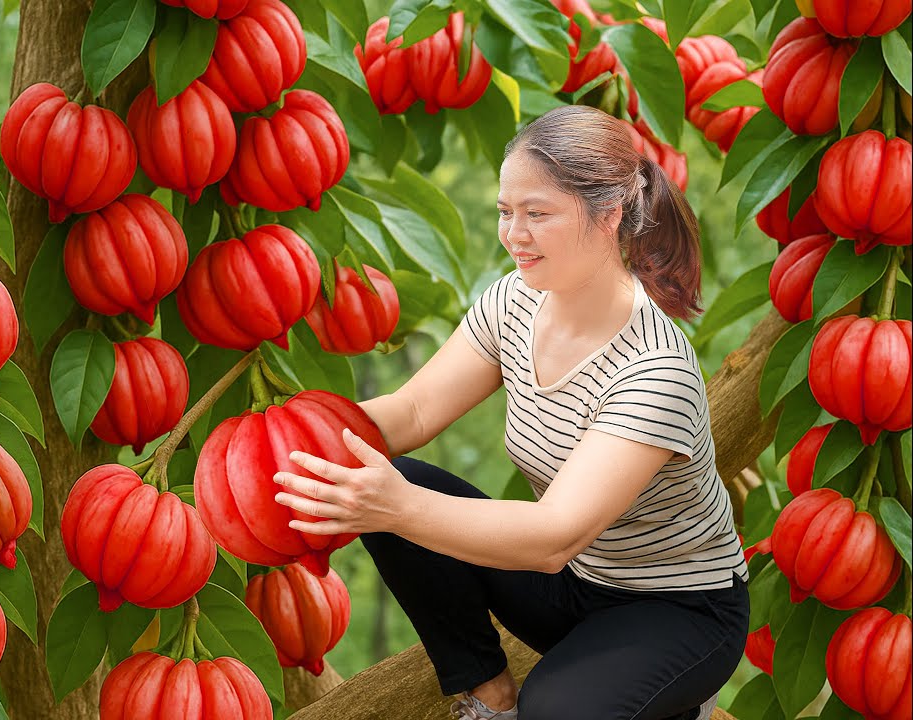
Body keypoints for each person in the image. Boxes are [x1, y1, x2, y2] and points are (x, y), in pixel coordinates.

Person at [270, 104, 750, 720]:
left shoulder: (656, 370)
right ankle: (488, 694)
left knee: (552, 707)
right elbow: (412, 410)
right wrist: (290, 437)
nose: (512, 234)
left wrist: (398, 505)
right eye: (505, 211)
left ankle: (675, 699)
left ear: (608, 216)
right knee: (395, 476)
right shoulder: (514, 301)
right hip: (572, 584)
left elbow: (554, 536)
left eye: (537, 214)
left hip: (677, 610)